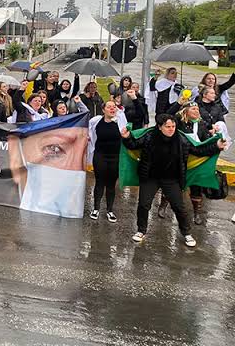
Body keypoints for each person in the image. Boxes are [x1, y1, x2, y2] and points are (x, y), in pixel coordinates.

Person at [121, 114, 226, 247]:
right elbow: (133, 145)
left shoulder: (181, 139)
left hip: (171, 179)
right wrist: (127, 137)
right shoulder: (149, 136)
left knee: (179, 207)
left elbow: (199, 150)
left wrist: (216, 145)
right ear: (160, 127)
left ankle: (187, 233)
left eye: (173, 126)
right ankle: (141, 230)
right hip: (150, 177)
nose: (171, 129)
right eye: (168, 127)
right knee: (143, 205)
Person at [168, 101, 213, 224]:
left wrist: (215, 141)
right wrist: (179, 103)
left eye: (197, 109)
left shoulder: (202, 124)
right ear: (186, 111)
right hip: (179, 159)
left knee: (196, 187)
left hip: (195, 161)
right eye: (193, 109)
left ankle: (196, 213)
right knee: (172, 184)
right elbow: (167, 117)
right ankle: (163, 206)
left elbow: (206, 141)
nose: (196, 111)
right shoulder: (178, 122)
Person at [87, 101, 126, 223]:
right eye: (109, 107)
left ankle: (109, 210)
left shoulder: (120, 121)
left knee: (111, 184)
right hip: (100, 155)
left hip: (115, 157)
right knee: (99, 182)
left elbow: (127, 135)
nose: (112, 109)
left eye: (114, 107)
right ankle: (96, 209)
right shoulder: (96, 121)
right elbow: (87, 129)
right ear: (103, 110)